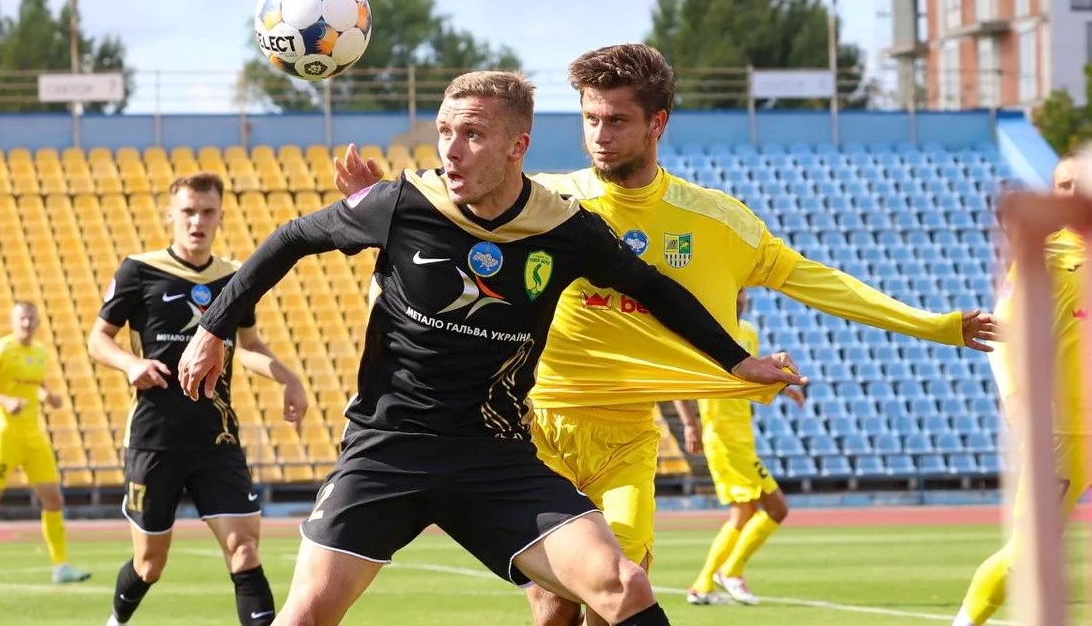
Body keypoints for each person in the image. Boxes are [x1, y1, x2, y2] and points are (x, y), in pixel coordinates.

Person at [333, 44, 1000, 625]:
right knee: (554, 609)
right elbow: (437, 238)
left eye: (616, 120)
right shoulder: (543, 204)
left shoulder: (716, 221)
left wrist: (936, 325)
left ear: (657, 123)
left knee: (619, 592)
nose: (599, 135)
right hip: (530, 429)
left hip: (626, 437)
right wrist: (374, 213)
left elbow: (819, 281)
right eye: (590, 119)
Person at [178, 70, 807, 626]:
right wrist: (212, 329)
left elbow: (653, 287)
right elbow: (290, 238)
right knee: (305, 616)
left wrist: (737, 360)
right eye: (444, 131)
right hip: (387, 450)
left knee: (623, 585)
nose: (450, 150)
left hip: (494, 458)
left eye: (472, 134)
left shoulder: (564, 228)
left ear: (517, 147)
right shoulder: (401, 202)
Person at [87, 172, 307, 626]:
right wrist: (130, 364)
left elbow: (247, 345)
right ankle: (116, 621)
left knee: (244, 548)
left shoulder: (234, 277)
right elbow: (98, 339)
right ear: (170, 215)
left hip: (216, 438)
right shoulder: (138, 270)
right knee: (150, 564)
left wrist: (288, 378)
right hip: (155, 438)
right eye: (188, 212)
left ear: (220, 216)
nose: (197, 222)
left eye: (207, 213)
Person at [951, 153, 1091, 626]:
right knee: (1029, 551)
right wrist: (1012, 395)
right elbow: (1000, 334)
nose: (1073, 193)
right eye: (1064, 186)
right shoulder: (1044, 255)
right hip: (1064, 432)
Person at [0, 301, 92, 586]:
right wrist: (4, 401)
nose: (27, 324)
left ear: (38, 322)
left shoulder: (40, 353)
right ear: (13, 322)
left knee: (53, 499)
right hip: (4, 435)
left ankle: (60, 566)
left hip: (33, 435)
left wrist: (48, 397)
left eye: (31, 319)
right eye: (22, 318)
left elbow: (33, 385)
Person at [676, 289, 805, 605]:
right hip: (723, 439)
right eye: (734, 291)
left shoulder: (748, 333)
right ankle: (730, 572)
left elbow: (751, 376)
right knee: (777, 508)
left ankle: (703, 586)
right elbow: (678, 381)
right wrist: (690, 424)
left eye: (743, 291)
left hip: (743, 437)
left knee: (743, 514)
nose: (740, 297)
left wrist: (783, 389)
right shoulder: (702, 332)